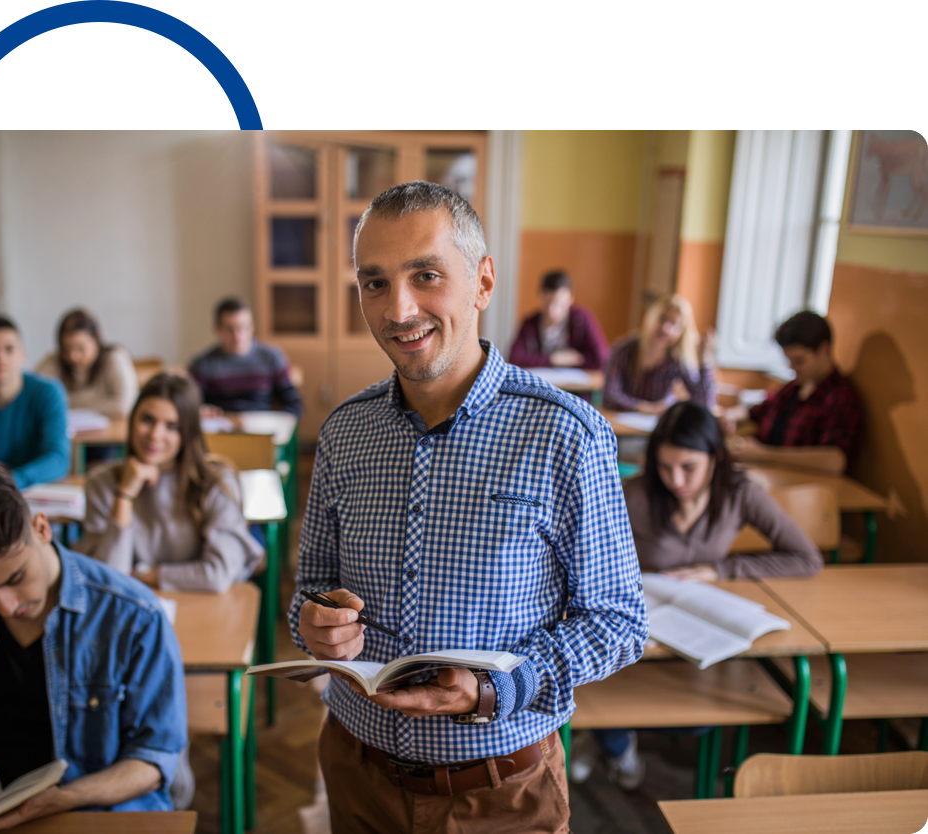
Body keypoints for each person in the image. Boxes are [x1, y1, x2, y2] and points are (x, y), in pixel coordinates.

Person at [290, 181, 648, 833]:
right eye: (374, 283)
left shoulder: (566, 434)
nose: (399, 310)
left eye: (425, 276)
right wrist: (314, 625)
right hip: (354, 772)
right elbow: (310, 586)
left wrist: (495, 688)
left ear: (483, 282)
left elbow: (619, 622)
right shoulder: (344, 431)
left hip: (500, 792)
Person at [0, 460, 187, 830]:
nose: (7, 606)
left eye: (16, 578)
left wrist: (68, 798)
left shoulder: (134, 615)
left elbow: (155, 758)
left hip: (93, 812)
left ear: (41, 528)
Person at [568, 401, 822, 789]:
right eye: (665, 467)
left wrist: (723, 569)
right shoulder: (632, 494)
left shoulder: (741, 493)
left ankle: (611, 738)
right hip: (639, 622)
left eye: (689, 467)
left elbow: (806, 558)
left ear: (716, 458)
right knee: (601, 684)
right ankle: (614, 742)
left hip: (698, 626)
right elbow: (582, 557)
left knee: (701, 714)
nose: (676, 480)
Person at [80, 372, 264, 593]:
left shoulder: (215, 482)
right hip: (135, 607)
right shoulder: (101, 483)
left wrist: (142, 574)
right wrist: (125, 495)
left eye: (172, 426)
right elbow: (108, 578)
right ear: (132, 420)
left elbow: (216, 575)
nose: (155, 435)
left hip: (203, 605)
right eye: (147, 420)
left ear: (188, 433)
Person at [722, 311, 862, 475]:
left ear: (824, 350)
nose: (792, 367)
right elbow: (756, 410)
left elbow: (835, 461)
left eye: (799, 361)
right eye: (789, 361)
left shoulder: (840, 398)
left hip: (801, 489)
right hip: (767, 476)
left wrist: (765, 455)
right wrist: (729, 416)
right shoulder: (794, 387)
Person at [0, 316, 70, 489]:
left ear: (23, 354)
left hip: (32, 489)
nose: (0, 358)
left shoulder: (47, 393)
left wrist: (14, 480)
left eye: (9, 349)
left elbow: (59, 459)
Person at [188, 296, 304, 418]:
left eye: (243, 327)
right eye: (229, 329)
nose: (237, 336)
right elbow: (188, 404)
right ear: (217, 329)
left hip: (262, 429)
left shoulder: (271, 357)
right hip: (219, 431)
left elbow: (294, 405)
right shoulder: (203, 363)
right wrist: (200, 410)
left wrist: (277, 424)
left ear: (252, 326)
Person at [603, 294, 717, 414]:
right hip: (621, 423)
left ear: (682, 333)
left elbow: (705, 405)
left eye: (674, 325)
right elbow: (609, 397)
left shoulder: (676, 360)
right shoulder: (624, 349)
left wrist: (705, 361)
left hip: (656, 426)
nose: (665, 329)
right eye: (662, 319)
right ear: (651, 318)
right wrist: (646, 408)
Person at [35, 308, 139, 418]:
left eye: (81, 348)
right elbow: (31, 394)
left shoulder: (114, 358)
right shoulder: (54, 361)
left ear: (97, 339)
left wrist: (69, 404)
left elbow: (123, 406)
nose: (73, 356)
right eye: (66, 349)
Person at [506, 269, 609, 370]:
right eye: (547, 303)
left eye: (559, 304)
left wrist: (575, 362)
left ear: (571, 298)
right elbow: (514, 359)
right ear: (540, 297)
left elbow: (603, 359)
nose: (552, 310)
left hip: (576, 384)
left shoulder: (582, 320)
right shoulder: (529, 324)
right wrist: (554, 359)